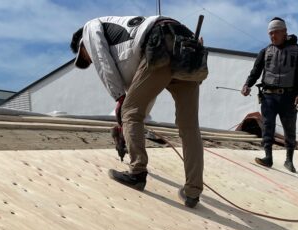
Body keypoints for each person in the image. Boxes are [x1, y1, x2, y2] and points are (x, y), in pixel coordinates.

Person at [71, 15, 206, 208]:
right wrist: (127, 123)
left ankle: (137, 173)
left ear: (82, 44)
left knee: (129, 111)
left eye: (86, 56)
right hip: (188, 48)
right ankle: (193, 192)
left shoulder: (90, 28)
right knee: (189, 126)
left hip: (162, 41)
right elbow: (143, 100)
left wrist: (119, 99)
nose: (90, 60)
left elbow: (102, 60)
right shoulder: (129, 46)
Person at [241, 17, 298, 173]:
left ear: (284, 32)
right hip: (268, 97)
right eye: (270, 33)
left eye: (276, 32)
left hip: (289, 97)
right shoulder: (265, 51)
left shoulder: (297, 50)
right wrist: (247, 84)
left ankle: (289, 160)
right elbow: (255, 71)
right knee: (268, 126)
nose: (273, 36)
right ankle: (268, 157)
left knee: (289, 129)